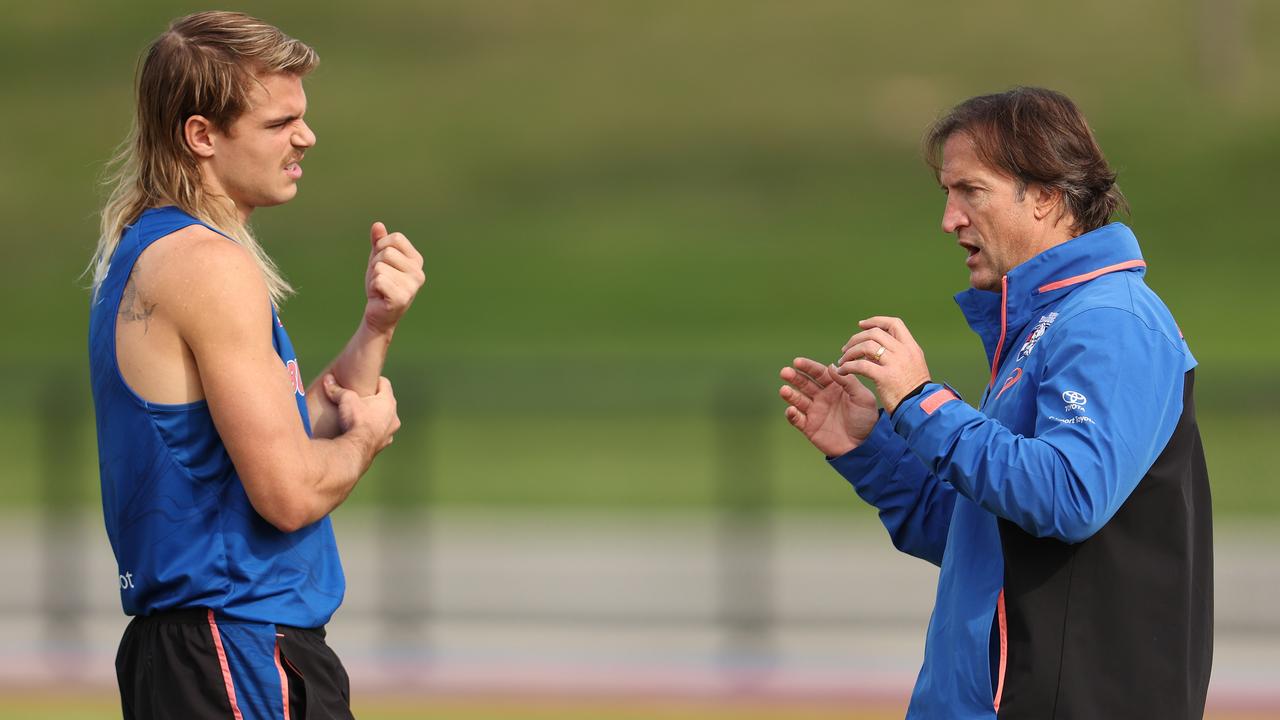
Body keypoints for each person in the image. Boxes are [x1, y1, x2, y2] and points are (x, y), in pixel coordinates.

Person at [778, 87, 1211, 719]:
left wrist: (923, 402)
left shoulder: (1109, 323)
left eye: (970, 191)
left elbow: (1069, 496)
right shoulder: (1045, 327)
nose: (949, 219)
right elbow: (980, 542)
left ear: (1044, 195)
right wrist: (870, 448)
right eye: (947, 194)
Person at [87, 11, 426, 719]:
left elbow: (288, 431)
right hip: (234, 646)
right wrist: (367, 438)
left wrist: (377, 327)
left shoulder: (155, 250)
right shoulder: (206, 266)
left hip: (212, 647)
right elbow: (289, 493)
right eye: (278, 123)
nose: (305, 137)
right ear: (202, 135)